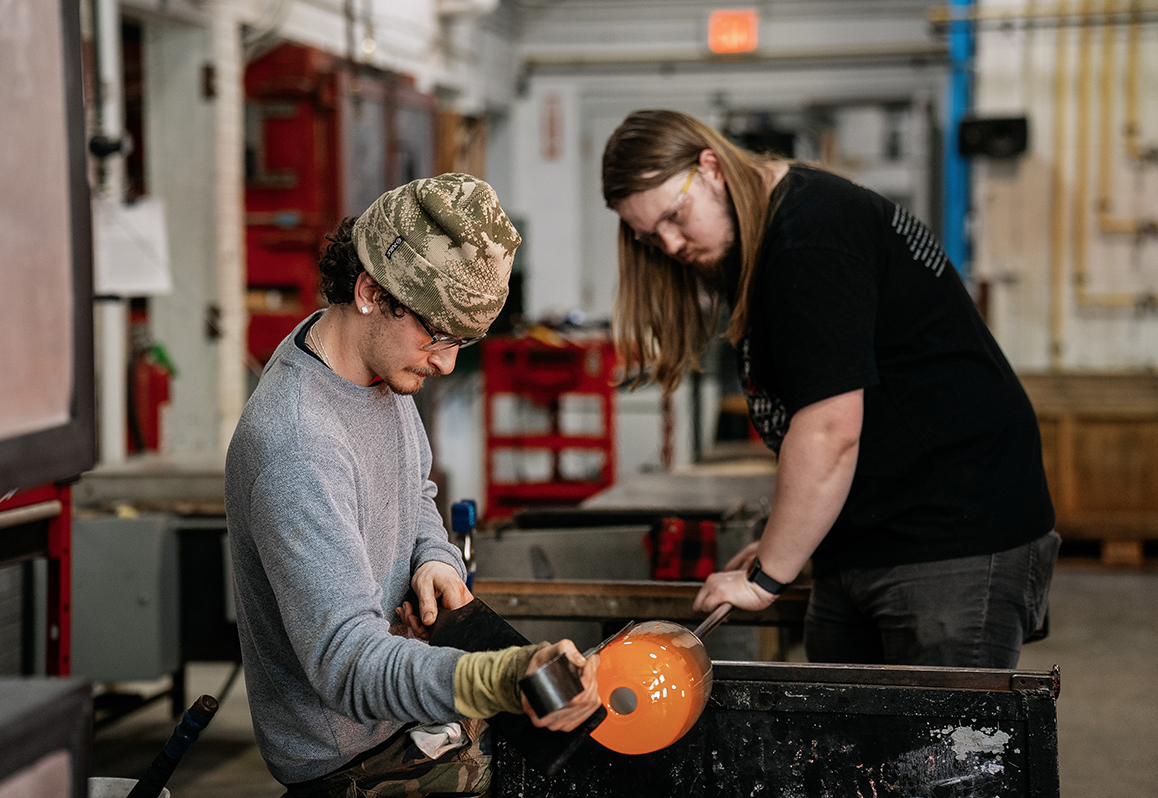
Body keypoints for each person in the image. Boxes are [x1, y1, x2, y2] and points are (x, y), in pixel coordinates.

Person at [602, 109, 1059, 669]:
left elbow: (829, 429)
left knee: (938, 754)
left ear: (712, 167)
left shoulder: (808, 235)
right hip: (868, 533)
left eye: (675, 216)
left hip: (952, 534)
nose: (670, 244)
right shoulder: (770, 238)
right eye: (651, 237)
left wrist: (770, 574)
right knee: (841, 745)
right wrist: (783, 540)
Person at [225, 173, 601, 797]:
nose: (447, 362)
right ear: (371, 290)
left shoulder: (374, 363)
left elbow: (415, 490)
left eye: (463, 341)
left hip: (416, 722)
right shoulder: (296, 441)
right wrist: (503, 678)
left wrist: (433, 556)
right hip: (354, 766)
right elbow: (346, 663)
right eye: (437, 335)